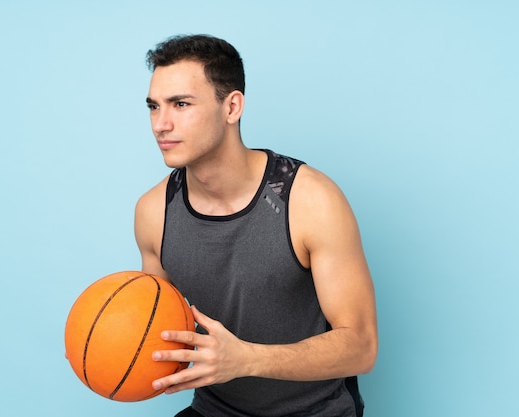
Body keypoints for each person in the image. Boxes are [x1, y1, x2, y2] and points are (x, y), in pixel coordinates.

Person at [134, 34, 378, 417]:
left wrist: (246, 359)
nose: (160, 124)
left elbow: (362, 347)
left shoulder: (309, 200)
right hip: (215, 411)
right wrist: (96, 346)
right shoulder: (153, 212)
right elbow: (151, 329)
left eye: (180, 104)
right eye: (154, 107)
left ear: (231, 107)